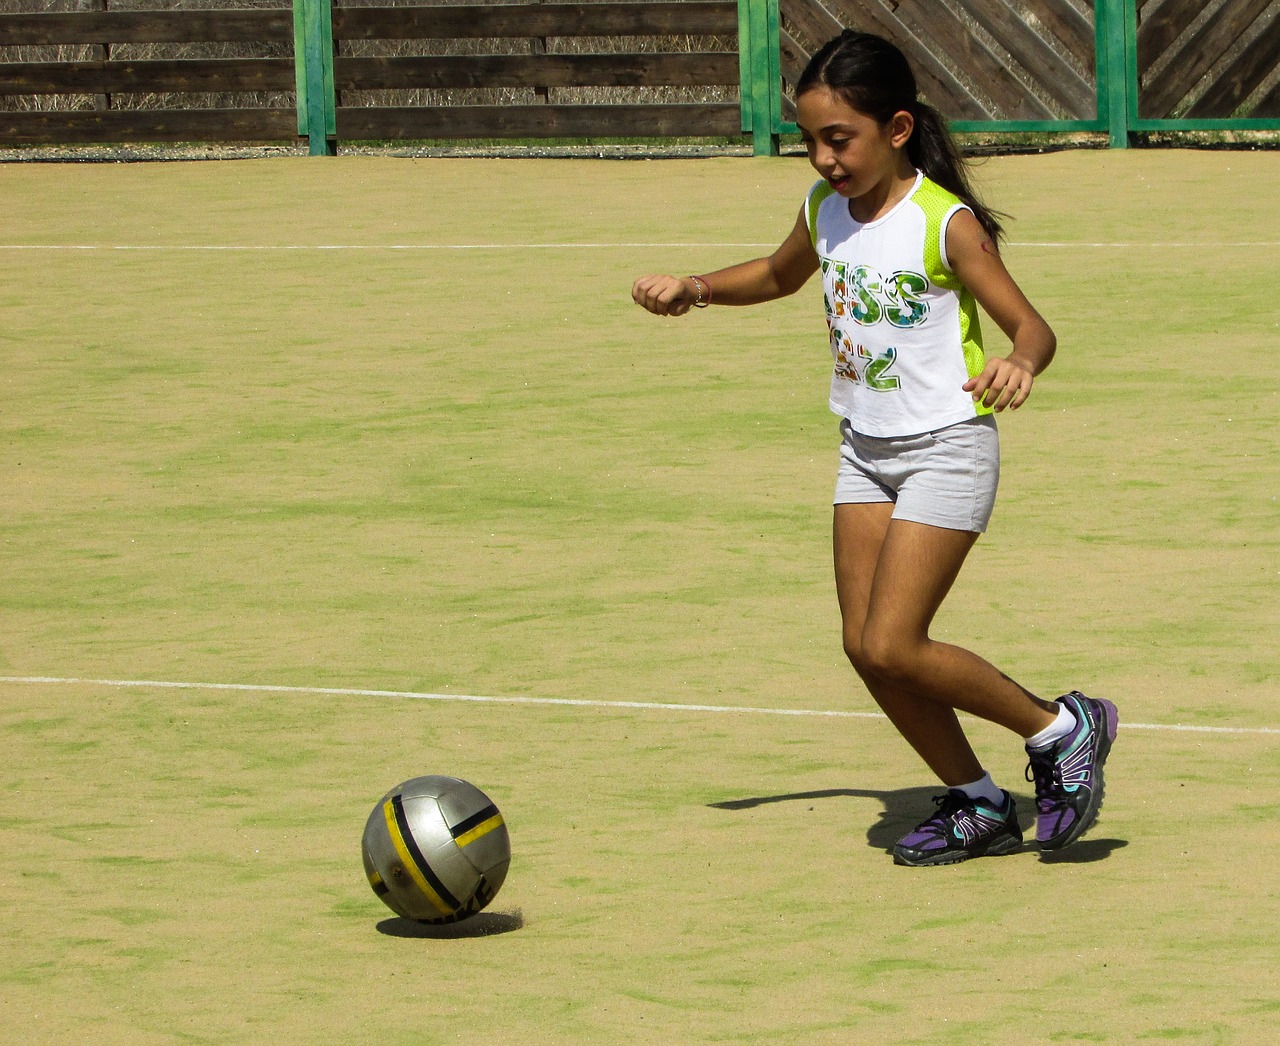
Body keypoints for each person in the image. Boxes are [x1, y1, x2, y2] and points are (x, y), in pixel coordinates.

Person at [631, 30, 1117, 866]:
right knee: (864, 648)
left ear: (896, 130)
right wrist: (698, 288)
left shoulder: (945, 222)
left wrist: (1019, 362)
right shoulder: (824, 211)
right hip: (866, 451)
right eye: (810, 140)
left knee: (897, 642)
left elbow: (1032, 326)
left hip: (947, 448)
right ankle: (978, 801)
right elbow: (783, 276)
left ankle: (1060, 727)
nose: (823, 158)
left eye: (839, 138)